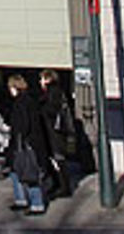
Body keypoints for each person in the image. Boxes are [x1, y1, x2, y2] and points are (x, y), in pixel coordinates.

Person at [7, 73, 51, 215]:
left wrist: (14, 134)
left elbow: (22, 126)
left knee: (29, 173)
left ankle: (36, 203)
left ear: (14, 87)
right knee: (18, 172)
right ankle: (22, 200)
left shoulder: (20, 103)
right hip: (30, 143)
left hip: (26, 145)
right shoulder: (30, 100)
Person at [39, 68, 76, 198]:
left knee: (59, 159)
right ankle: (60, 184)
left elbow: (51, 111)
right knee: (57, 159)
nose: (40, 81)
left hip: (55, 132)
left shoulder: (52, 92)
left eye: (42, 78)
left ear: (48, 79)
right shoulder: (56, 92)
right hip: (56, 131)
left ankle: (63, 186)